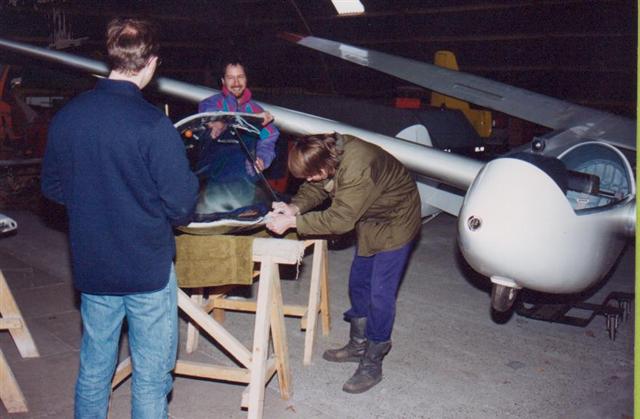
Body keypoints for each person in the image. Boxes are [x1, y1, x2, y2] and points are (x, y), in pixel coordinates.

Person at [41, 18, 198, 418]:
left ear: (111, 56)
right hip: (146, 269)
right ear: (151, 62)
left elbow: (53, 187)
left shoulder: (68, 117)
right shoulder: (153, 124)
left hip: (93, 266)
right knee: (151, 376)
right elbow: (181, 206)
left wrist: (95, 202)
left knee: (95, 367)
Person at [266, 133, 421, 394]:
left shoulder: (358, 166)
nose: (308, 180)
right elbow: (317, 184)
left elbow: (340, 220)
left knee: (380, 293)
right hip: (370, 215)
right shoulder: (326, 154)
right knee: (358, 283)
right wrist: (294, 208)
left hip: (397, 219)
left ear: (324, 164)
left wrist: (293, 222)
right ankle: (358, 345)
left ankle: (373, 361)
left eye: (310, 174)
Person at [198, 60, 279, 173]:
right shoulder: (211, 104)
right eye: (230, 78)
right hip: (213, 175)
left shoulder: (256, 110)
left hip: (243, 177)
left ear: (246, 79)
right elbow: (211, 116)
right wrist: (219, 123)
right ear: (223, 81)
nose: (236, 83)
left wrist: (261, 158)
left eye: (240, 77)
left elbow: (268, 138)